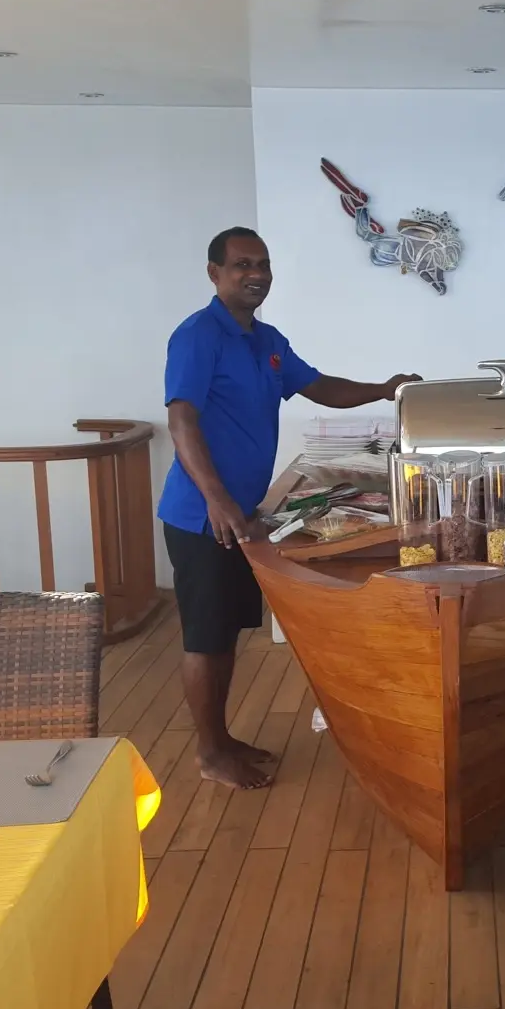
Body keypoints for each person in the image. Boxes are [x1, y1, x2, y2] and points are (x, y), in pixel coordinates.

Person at [161, 227, 420, 789]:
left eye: (263, 265)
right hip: (200, 514)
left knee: (226, 631)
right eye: (241, 266)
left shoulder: (266, 338)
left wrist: (383, 389)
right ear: (214, 274)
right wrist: (218, 499)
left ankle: (222, 738)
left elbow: (318, 385)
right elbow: (181, 419)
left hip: (238, 510)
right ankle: (209, 753)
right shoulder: (197, 336)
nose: (256, 275)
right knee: (205, 638)